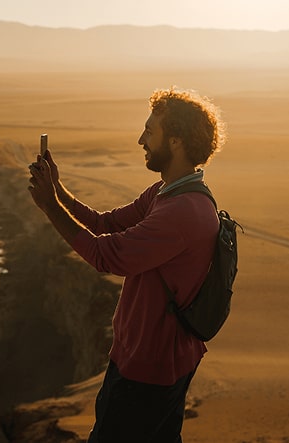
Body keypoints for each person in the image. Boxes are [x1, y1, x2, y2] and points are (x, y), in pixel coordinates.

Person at [27, 87, 226, 442]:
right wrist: (58, 190)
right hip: (147, 360)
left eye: (150, 131)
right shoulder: (167, 192)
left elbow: (106, 255)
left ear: (176, 141)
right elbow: (105, 224)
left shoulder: (182, 213)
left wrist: (50, 207)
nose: (141, 139)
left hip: (149, 370)